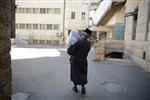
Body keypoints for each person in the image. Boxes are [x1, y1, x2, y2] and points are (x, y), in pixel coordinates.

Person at [67, 28, 92, 95]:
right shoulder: (89, 44)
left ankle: (75, 88)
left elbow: (69, 52)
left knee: (74, 74)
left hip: (75, 60)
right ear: (89, 36)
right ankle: (83, 87)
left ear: (84, 34)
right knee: (82, 74)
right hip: (83, 60)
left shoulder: (77, 42)